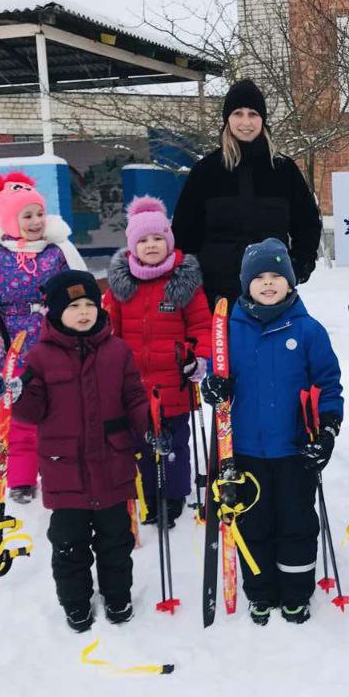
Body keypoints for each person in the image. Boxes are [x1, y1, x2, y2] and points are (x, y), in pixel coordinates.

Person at [199, 238, 343, 625]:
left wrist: (327, 428)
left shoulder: (309, 331)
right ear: (246, 284)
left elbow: (329, 384)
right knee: (253, 522)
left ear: (291, 283)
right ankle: (260, 592)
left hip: (294, 449)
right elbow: (215, 375)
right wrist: (212, 387)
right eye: (258, 277)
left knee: (296, 522)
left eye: (276, 276)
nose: (267, 283)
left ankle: (296, 593)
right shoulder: (228, 330)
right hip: (245, 450)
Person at [9, 270, 152, 632]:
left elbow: (134, 396)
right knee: (69, 545)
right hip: (64, 470)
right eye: (74, 306)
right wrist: (16, 393)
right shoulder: (40, 358)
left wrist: (151, 425)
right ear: (56, 312)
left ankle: (118, 597)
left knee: (116, 542)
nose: (85, 311)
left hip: (112, 465)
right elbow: (30, 412)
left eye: (90, 303)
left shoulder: (117, 351)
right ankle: (75, 602)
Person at [0, 170, 86, 505]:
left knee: (59, 414)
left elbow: (75, 290)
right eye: (27, 215)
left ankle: (57, 472)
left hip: (56, 346)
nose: (35, 222)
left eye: (39, 214)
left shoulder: (56, 252)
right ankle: (21, 479)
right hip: (14, 351)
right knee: (20, 415)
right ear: (9, 220)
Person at [103, 196, 212, 528]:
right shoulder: (121, 286)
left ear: (169, 241)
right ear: (132, 246)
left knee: (174, 442)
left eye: (157, 239)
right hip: (133, 385)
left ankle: (174, 494)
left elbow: (201, 326)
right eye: (143, 240)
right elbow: (110, 329)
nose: (151, 245)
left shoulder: (185, 284)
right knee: (140, 443)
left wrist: (199, 358)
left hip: (173, 381)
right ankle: (148, 493)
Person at [171, 79, 323, 303]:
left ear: (263, 119)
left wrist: (299, 266)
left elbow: (307, 224)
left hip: (274, 295)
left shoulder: (283, 170)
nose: (245, 122)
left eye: (253, 114)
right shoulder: (206, 171)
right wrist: (193, 279)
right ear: (227, 119)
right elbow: (184, 234)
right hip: (217, 296)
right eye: (238, 113)